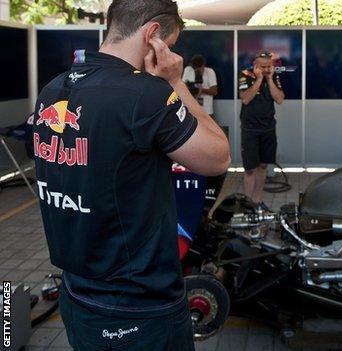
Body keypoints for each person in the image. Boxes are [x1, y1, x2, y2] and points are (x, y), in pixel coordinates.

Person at [32, 1, 230, 350]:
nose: (169, 53)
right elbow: (218, 157)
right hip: (139, 306)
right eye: (169, 44)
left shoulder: (54, 89)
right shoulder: (145, 94)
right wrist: (174, 81)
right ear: (153, 35)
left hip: (77, 295)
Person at [239, 51, 285, 205]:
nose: (266, 69)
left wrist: (269, 78)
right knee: (250, 168)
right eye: (262, 67)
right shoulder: (245, 75)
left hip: (268, 128)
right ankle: (247, 204)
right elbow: (245, 99)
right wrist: (258, 80)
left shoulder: (272, 76)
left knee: (263, 165)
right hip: (250, 129)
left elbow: (279, 99)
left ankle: (257, 201)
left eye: (268, 66)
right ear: (255, 65)